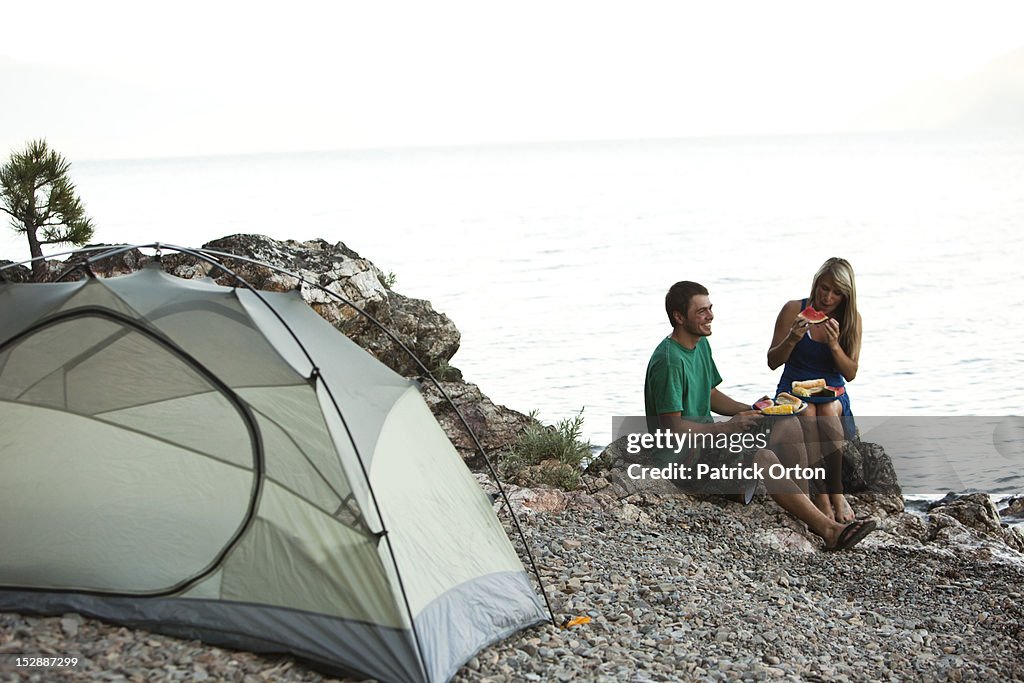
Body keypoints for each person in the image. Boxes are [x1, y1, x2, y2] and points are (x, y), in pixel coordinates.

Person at [645, 280, 875, 550]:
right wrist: (729, 427)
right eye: (701, 311)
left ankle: (807, 510)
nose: (710, 316)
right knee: (763, 457)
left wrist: (751, 410)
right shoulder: (670, 360)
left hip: (708, 445)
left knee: (788, 424)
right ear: (679, 317)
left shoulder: (699, 345)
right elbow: (671, 429)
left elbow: (708, 394)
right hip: (682, 461)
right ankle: (830, 530)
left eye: (710, 308)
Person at [768, 257, 862, 523]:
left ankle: (837, 493)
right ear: (816, 284)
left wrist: (834, 345)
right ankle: (820, 495)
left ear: (846, 295)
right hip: (792, 390)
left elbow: (850, 373)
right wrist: (793, 338)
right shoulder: (792, 310)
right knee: (808, 411)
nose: (827, 297)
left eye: (836, 292)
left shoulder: (851, 320)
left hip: (832, 392)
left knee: (828, 411)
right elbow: (773, 361)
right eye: (824, 288)